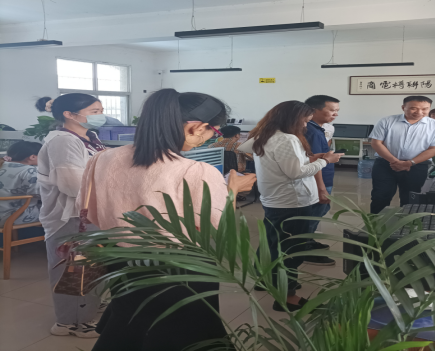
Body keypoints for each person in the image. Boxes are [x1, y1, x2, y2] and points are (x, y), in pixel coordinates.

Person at [76, 89, 256, 351]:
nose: (210, 138)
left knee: (131, 323)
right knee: (184, 331)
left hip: (121, 260)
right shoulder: (195, 170)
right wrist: (232, 191)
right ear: (196, 128)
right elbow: (214, 226)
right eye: (213, 131)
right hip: (179, 266)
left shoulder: (101, 159)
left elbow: (89, 211)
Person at [248, 101, 343, 312]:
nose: (305, 126)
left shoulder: (264, 135)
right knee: (291, 251)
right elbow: (296, 173)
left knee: (273, 244)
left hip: (275, 200)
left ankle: (266, 281)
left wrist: (312, 158)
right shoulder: (287, 139)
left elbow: (283, 163)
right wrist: (326, 161)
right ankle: (287, 297)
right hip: (293, 201)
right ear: (292, 119)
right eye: (304, 121)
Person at [36, 94, 108, 338]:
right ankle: (71, 322)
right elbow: (72, 185)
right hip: (72, 217)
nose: (100, 115)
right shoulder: (63, 141)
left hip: (91, 211)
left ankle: (87, 309)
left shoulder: (89, 136)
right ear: (69, 114)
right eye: (94, 111)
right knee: (74, 268)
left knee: (93, 265)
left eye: (101, 110)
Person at [369, 96, 435, 214]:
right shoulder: (387, 121)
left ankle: (408, 224)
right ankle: (375, 224)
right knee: (380, 197)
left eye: (424, 109)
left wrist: (410, 163)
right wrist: (395, 161)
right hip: (385, 165)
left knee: (411, 199)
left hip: (417, 167)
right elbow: (376, 143)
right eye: (413, 108)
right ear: (403, 107)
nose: (419, 112)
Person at [304, 95, 342, 266]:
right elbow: (314, 162)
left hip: (322, 177)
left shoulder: (317, 129)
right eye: (332, 110)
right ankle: (304, 249)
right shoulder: (312, 131)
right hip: (318, 180)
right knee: (314, 213)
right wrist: (321, 188)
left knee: (318, 211)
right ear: (314, 110)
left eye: (337, 111)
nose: (336, 114)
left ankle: (308, 241)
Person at [0, 141, 42, 227]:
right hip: (11, 217)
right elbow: (41, 194)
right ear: (32, 157)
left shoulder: (3, 165)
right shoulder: (30, 171)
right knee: (59, 211)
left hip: (3, 212)